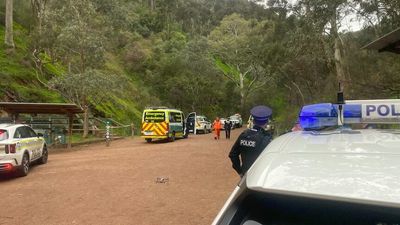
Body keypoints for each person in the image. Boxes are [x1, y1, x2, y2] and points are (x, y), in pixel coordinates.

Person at [229, 105, 273, 177]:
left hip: (245, 175)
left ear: (253, 120)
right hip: (260, 175)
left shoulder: (243, 135)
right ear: (267, 121)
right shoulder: (267, 138)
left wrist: (240, 171)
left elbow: (232, 154)